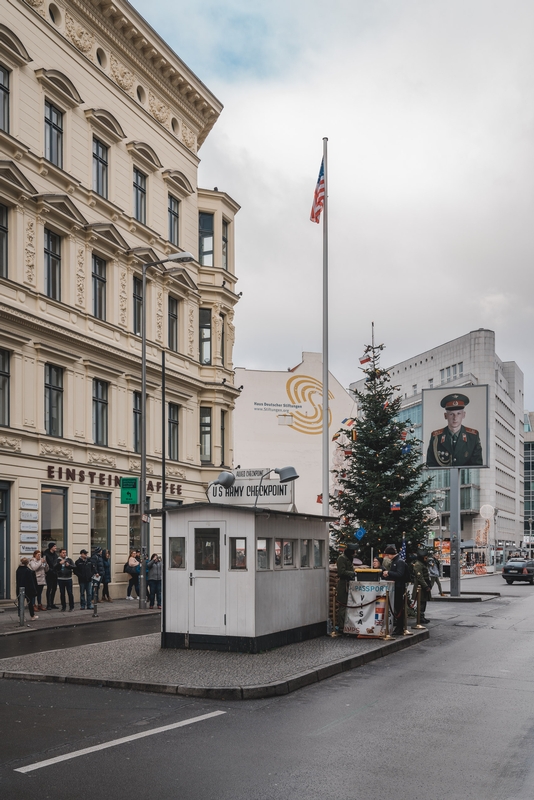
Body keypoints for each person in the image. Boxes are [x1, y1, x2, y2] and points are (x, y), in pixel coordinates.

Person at [426, 394, 483, 467]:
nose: (455, 418)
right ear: (445, 416)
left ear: (464, 415)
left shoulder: (473, 436)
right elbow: (430, 465)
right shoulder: (436, 437)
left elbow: (477, 466)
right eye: (451, 414)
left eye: (458, 414)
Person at [381, 544, 409, 634]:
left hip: (399, 587)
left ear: (391, 554)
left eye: (388, 555)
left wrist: (389, 573)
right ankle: (398, 626)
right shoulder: (395, 561)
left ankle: (400, 627)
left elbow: (399, 574)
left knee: (398, 606)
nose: (387, 557)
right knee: (396, 607)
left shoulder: (399, 561)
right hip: (396, 586)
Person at [336, 543, 357, 632]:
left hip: (349, 584)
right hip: (343, 585)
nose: (355, 553)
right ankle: (341, 626)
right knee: (343, 605)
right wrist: (352, 573)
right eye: (354, 551)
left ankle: (347, 625)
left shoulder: (348, 558)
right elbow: (341, 572)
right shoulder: (342, 558)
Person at [412, 550, 431, 624]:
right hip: (420, 586)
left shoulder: (422, 563)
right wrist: (426, 586)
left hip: (424, 585)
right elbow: (420, 577)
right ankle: (420, 617)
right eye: (425, 558)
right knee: (421, 602)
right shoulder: (418, 564)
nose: (426, 559)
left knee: (424, 601)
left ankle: (422, 616)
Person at [44, 541, 59, 609]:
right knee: (49, 589)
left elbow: (56, 563)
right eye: (54, 546)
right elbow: (45, 564)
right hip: (49, 574)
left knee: (54, 589)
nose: (56, 547)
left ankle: (52, 603)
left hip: (55, 574)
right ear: (51, 547)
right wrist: (49, 571)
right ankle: (48, 604)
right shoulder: (46, 554)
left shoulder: (55, 555)